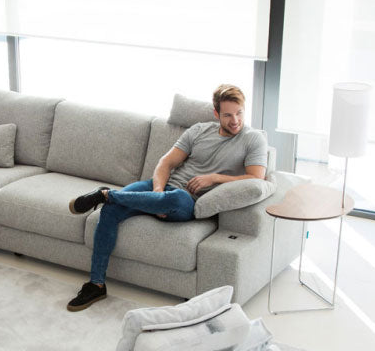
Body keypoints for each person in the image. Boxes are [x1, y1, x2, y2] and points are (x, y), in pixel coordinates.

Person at [66, 84, 268, 311]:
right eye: (228, 115)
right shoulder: (199, 131)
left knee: (174, 198)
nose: (235, 120)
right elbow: (166, 163)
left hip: (187, 201)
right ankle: (96, 284)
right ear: (216, 113)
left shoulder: (253, 139)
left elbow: (256, 178)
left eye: (239, 113)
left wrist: (214, 178)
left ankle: (106, 194)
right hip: (161, 189)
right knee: (110, 210)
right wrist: (157, 192)